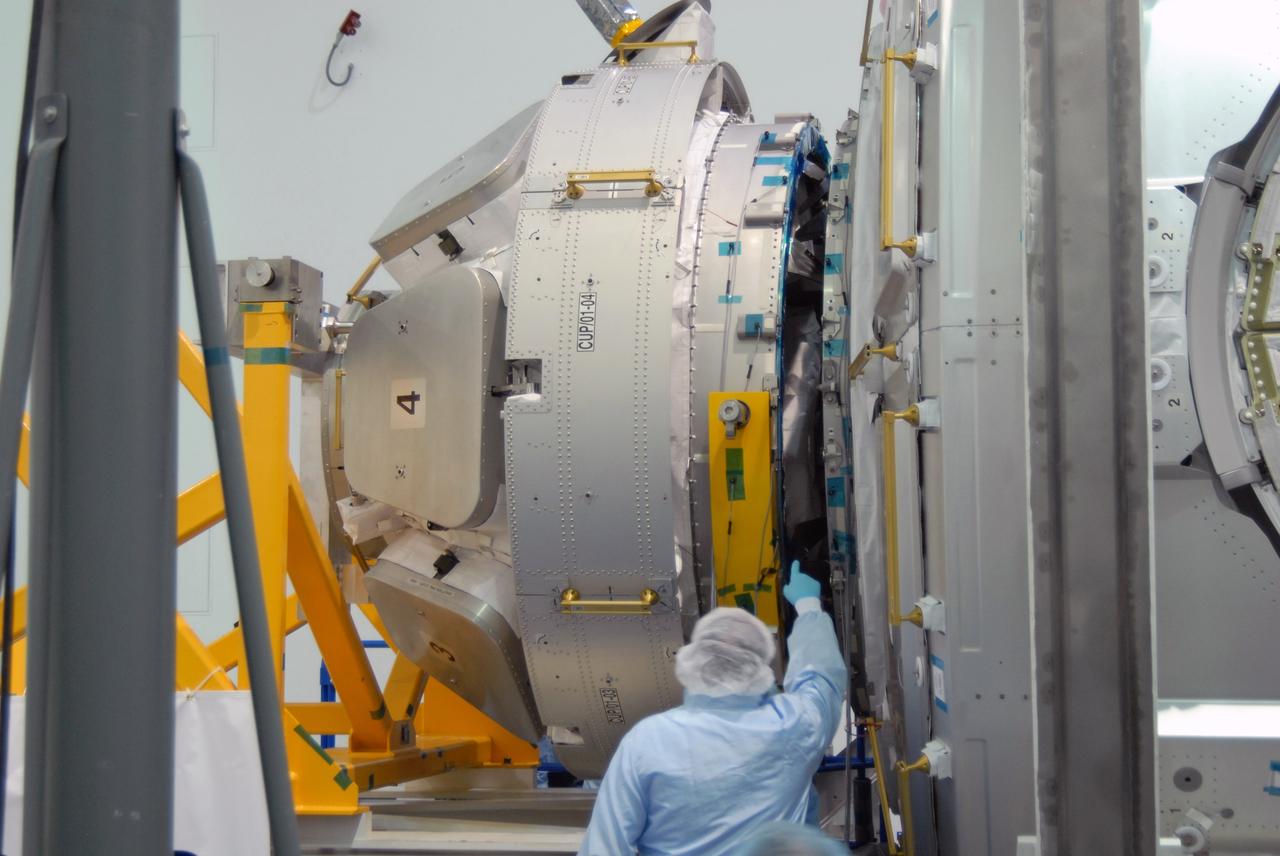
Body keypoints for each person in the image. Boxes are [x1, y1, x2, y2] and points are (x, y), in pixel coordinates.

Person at [577, 561, 847, 856]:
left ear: (694, 662)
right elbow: (821, 678)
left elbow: (605, 847)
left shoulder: (646, 741)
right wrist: (808, 605)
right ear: (758, 668)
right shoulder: (793, 725)